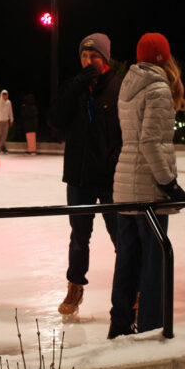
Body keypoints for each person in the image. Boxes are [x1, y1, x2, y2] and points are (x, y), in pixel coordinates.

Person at [109, 32, 185, 337]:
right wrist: (169, 183)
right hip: (149, 189)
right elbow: (150, 143)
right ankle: (151, 328)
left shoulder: (128, 84)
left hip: (125, 187)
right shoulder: (157, 88)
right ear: (164, 58)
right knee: (154, 264)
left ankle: (119, 325)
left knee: (127, 260)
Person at [48, 32, 122, 318]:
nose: (88, 61)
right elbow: (55, 120)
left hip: (110, 179)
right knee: (79, 237)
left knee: (121, 237)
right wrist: (78, 84)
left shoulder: (118, 88)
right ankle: (75, 287)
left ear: (106, 59)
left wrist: (113, 161)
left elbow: (126, 133)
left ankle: (133, 290)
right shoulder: (75, 88)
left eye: (94, 56)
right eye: (84, 56)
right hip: (79, 178)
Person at [0, 89, 14, 154]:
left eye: (6, 95)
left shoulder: (8, 102)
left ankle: (2, 146)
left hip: (6, 120)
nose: (5, 96)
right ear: (1, 95)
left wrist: (11, 119)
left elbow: (10, 111)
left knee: (5, 134)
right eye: (3, 95)